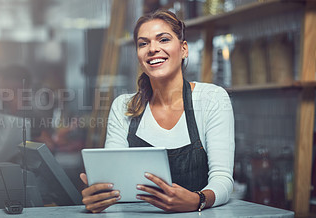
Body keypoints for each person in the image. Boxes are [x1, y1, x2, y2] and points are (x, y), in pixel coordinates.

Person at [79, 9, 234, 213]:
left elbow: (223, 179)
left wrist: (198, 200)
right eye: (143, 43)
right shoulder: (123, 107)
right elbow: (114, 183)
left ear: (184, 49)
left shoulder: (212, 98)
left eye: (163, 39)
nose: (153, 48)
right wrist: (100, 196)